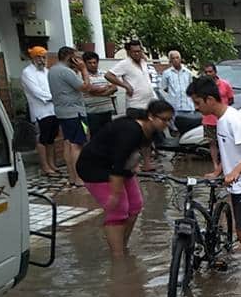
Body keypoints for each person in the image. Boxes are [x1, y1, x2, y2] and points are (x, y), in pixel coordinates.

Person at [187, 76, 241, 271]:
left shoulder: (232, 119)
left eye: (197, 103)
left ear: (209, 99)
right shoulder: (222, 120)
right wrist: (219, 170)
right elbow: (230, 150)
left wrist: (235, 172)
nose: (196, 108)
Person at [77, 100, 173, 258]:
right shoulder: (131, 130)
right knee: (118, 210)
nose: (167, 124)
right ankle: (118, 257)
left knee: (135, 205)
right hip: (95, 168)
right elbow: (118, 163)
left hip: (122, 166)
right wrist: (115, 193)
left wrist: (139, 166)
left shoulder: (151, 130)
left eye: (169, 120)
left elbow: (139, 151)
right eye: (164, 120)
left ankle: (122, 246)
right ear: (151, 116)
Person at [106, 40, 158, 170]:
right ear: (129, 52)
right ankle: (134, 165)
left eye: (139, 51)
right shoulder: (125, 64)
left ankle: (147, 163)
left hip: (148, 104)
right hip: (135, 105)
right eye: (134, 52)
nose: (137, 54)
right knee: (134, 136)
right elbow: (109, 75)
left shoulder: (143, 62)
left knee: (147, 136)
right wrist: (125, 85)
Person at [48, 46, 92, 187]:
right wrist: (84, 70)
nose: (78, 60)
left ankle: (72, 177)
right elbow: (85, 87)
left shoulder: (52, 70)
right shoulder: (66, 71)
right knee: (77, 145)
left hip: (62, 112)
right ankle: (79, 178)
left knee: (68, 143)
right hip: (74, 112)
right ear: (70, 57)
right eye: (76, 57)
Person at [20, 46, 59, 176]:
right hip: (40, 111)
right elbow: (36, 92)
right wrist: (53, 97)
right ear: (33, 58)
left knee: (51, 138)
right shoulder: (27, 72)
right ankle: (45, 166)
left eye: (43, 57)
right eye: (39, 57)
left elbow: (54, 87)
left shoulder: (47, 71)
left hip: (53, 110)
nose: (42, 60)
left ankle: (52, 164)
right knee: (42, 139)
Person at [200, 63, 235, 177]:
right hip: (209, 119)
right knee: (212, 142)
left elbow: (231, 100)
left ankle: (226, 164)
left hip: (222, 119)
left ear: (215, 72)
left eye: (210, 71)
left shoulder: (225, 84)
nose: (208, 74)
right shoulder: (203, 87)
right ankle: (216, 165)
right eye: (206, 72)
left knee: (225, 142)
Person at [82, 51, 118, 139]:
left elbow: (114, 88)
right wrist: (106, 88)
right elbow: (90, 89)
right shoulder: (83, 76)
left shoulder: (104, 74)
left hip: (106, 110)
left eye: (95, 62)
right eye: (90, 63)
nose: (93, 65)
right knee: (96, 137)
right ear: (85, 64)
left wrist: (101, 93)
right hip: (92, 112)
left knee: (108, 136)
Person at [161, 50, 194, 116]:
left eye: (177, 57)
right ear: (170, 60)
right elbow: (165, 88)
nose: (175, 60)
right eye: (173, 58)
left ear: (180, 59)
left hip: (188, 106)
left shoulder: (188, 72)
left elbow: (191, 87)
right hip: (174, 107)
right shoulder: (166, 73)